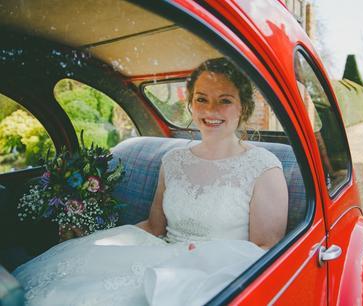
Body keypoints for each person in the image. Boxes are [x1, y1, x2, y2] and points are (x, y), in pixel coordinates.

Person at [13, 58, 288, 306]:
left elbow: (264, 250)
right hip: (156, 253)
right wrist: (100, 240)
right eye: (201, 99)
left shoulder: (262, 167)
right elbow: (155, 226)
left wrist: (203, 266)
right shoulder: (174, 160)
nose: (211, 109)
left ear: (244, 107)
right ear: (191, 105)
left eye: (225, 100)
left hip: (210, 275)